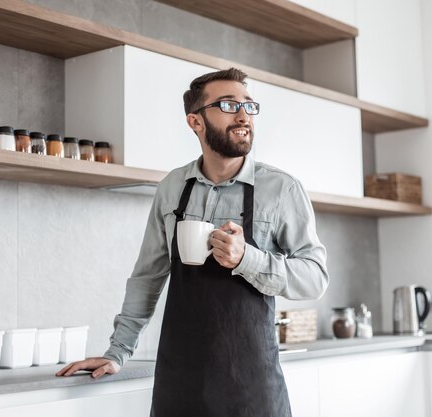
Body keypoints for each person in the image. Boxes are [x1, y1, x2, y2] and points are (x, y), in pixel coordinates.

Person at [56, 67, 329, 416]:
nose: (244, 114)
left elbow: (316, 277)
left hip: (252, 387)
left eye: (249, 105)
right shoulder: (172, 188)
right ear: (195, 122)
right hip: (179, 384)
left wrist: (248, 258)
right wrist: (117, 353)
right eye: (229, 105)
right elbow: (147, 277)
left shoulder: (282, 189)